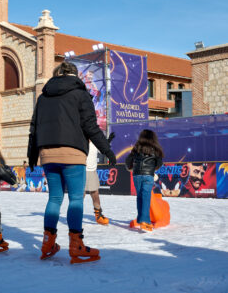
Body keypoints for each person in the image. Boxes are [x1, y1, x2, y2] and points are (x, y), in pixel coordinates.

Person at [28, 61, 116, 264]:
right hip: (73, 152)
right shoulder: (80, 94)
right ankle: (76, 245)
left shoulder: (43, 97)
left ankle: (47, 243)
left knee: (54, 198)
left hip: (47, 154)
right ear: (75, 75)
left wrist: (32, 155)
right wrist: (107, 150)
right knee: (76, 199)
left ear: (57, 74)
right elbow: (90, 126)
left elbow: (34, 127)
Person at [125, 129, 163, 232]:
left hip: (137, 175)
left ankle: (141, 219)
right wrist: (152, 168)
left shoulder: (136, 148)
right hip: (148, 176)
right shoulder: (155, 149)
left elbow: (128, 160)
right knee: (146, 197)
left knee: (140, 197)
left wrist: (131, 167)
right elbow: (159, 163)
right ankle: (145, 221)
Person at [84, 132, 115, 225]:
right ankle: (75, 215)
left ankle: (98, 215)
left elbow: (102, 148)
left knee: (95, 194)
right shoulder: (80, 141)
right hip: (82, 170)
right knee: (80, 195)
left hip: (92, 171)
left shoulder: (94, 142)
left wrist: (108, 140)